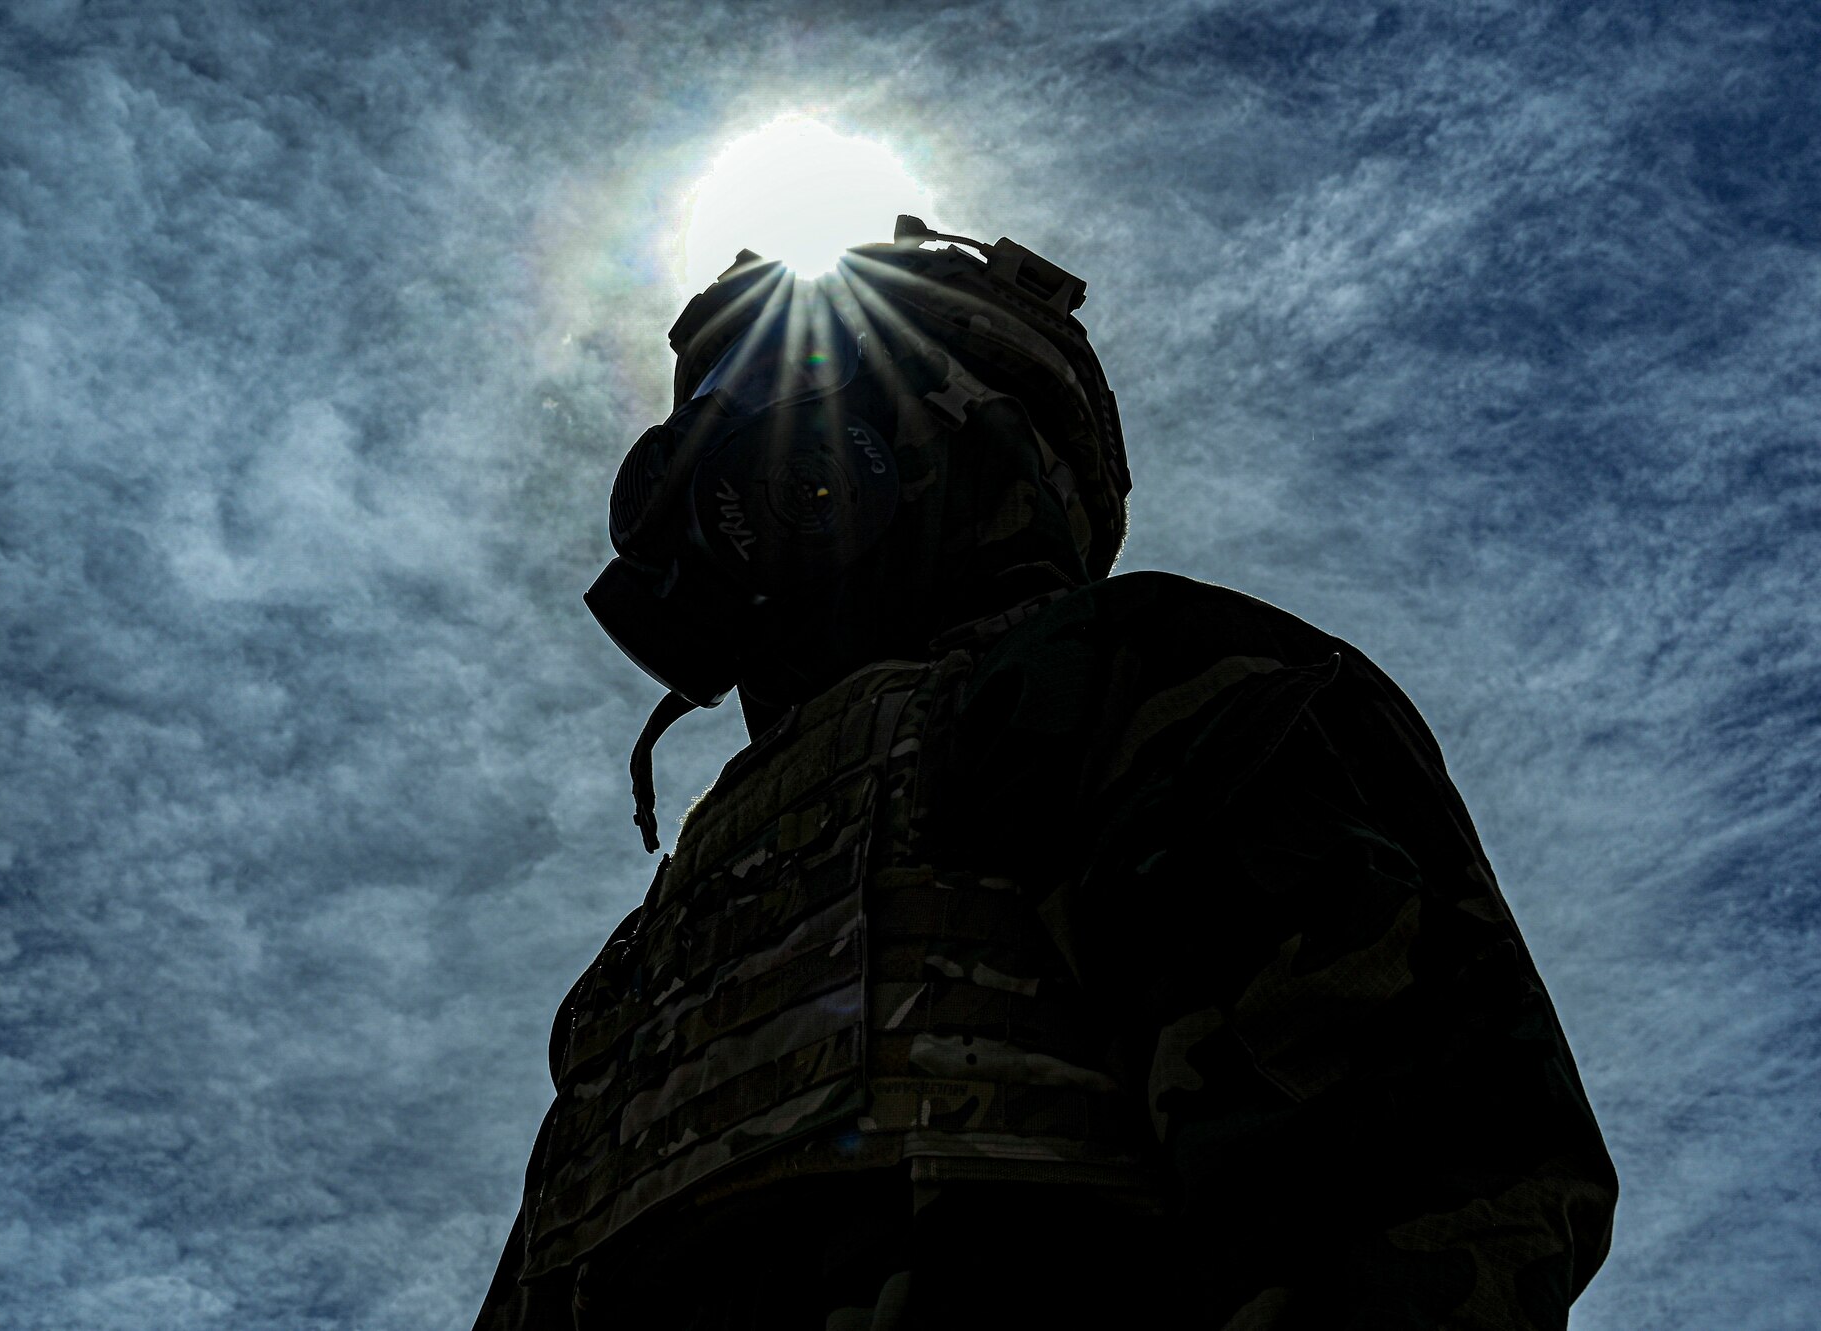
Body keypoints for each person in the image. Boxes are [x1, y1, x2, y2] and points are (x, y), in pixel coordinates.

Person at [474, 219, 1617, 1330]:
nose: (730, 458)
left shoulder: (1127, 676)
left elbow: (1418, 1183)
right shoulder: (675, 918)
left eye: (783, 395)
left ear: (960, 431)